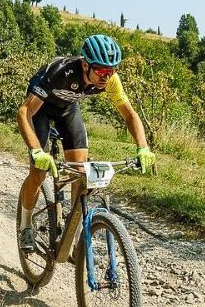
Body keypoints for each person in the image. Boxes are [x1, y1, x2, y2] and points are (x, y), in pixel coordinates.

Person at [16, 33, 156, 251]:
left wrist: (143, 146)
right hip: (39, 110)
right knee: (38, 172)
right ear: (85, 64)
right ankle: (25, 226)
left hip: (68, 110)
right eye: (101, 70)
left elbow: (129, 115)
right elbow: (24, 112)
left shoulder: (110, 80)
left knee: (81, 172)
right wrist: (36, 151)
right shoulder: (60, 72)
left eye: (111, 70)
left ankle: (75, 235)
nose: (106, 76)